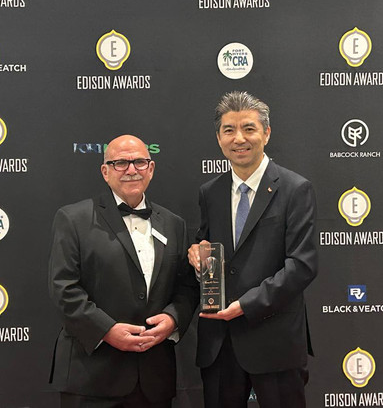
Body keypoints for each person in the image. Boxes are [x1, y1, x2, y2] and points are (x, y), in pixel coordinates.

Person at [188, 91, 318, 408]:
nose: (239, 139)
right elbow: (209, 249)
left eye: (249, 128)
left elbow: (302, 265)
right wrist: (197, 257)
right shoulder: (210, 192)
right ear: (219, 138)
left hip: (275, 338)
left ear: (266, 133)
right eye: (229, 130)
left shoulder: (295, 189)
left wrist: (246, 305)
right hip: (220, 343)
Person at [49, 135, 199, 408]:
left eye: (139, 162)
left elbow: (186, 288)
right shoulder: (73, 219)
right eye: (120, 163)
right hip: (91, 377)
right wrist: (106, 330)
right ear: (105, 171)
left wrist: (173, 319)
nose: (131, 170)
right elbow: (64, 289)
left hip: (155, 379)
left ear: (151, 169)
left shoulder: (174, 224)